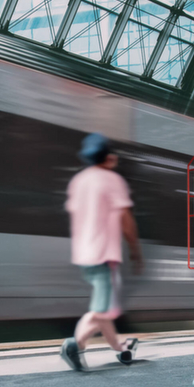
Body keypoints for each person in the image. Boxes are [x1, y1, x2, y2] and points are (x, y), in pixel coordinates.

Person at [60, 133, 144, 372]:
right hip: (104, 254)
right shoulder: (111, 179)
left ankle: (119, 347)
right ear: (108, 157)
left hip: (83, 254)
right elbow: (126, 219)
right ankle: (75, 345)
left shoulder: (78, 181)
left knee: (105, 306)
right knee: (101, 309)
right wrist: (136, 250)